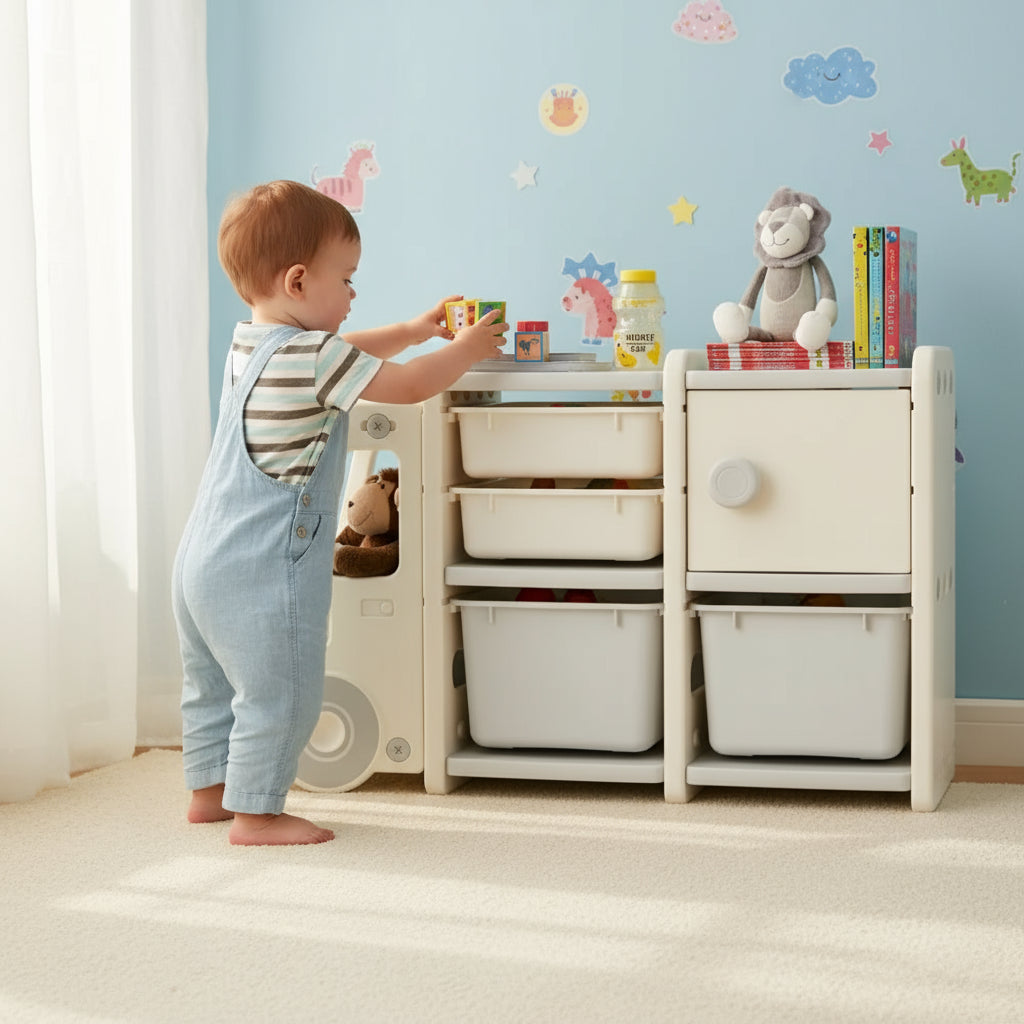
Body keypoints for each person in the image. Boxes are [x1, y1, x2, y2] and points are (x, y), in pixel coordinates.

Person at [172, 180, 506, 846]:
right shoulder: (318, 357)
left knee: (209, 686)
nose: (353, 292)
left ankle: (208, 792)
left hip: (200, 561)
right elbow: (407, 387)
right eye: (347, 278)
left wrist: (415, 329)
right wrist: (468, 348)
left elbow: (349, 349)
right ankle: (257, 814)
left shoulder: (253, 345)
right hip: (264, 570)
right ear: (298, 281)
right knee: (282, 690)